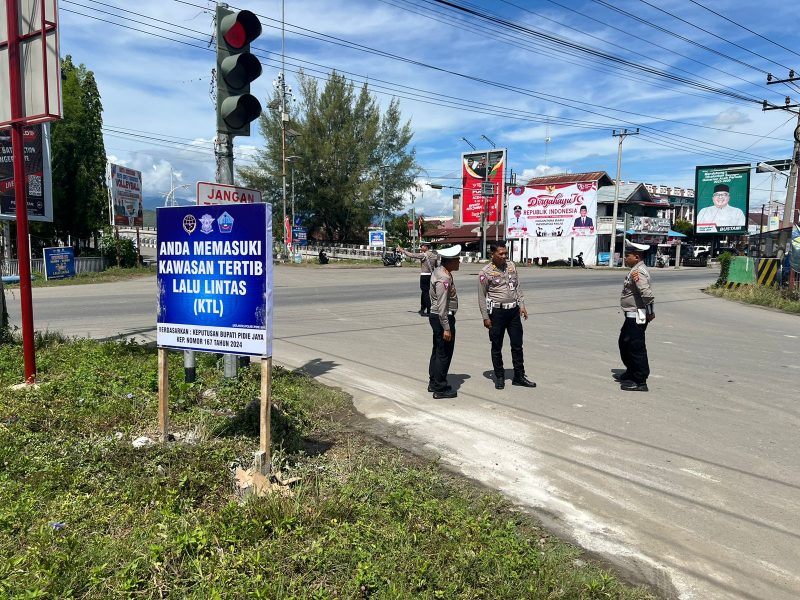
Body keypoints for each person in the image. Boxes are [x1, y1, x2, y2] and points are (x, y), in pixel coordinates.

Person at [478, 240, 536, 389]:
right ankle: (499, 376)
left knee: (517, 345)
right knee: (496, 346)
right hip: (497, 313)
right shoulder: (485, 272)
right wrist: (485, 317)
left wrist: (522, 305)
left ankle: (519, 376)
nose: (504, 256)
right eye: (501, 253)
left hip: (513, 312)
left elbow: (517, 286)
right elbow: (481, 296)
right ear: (493, 254)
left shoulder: (511, 266)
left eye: (506, 253)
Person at [613, 240, 655, 392]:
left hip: (637, 314)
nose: (625, 258)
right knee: (624, 343)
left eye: (628, 255)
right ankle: (631, 371)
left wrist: (650, 312)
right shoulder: (635, 269)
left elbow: (647, 294)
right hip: (633, 314)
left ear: (636, 257)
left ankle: (640, 381)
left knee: (635, 347)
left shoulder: (638, 272)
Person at [428, 245, 462, 399]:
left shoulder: (441, 271)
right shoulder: (444, 278)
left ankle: (434, 382)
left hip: (438, 317)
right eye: (457, 259)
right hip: (443, 317)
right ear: (450, 261)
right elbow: (442, 305)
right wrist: (446, 327)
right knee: (444, 353)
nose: (459, 262)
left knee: (437, 351)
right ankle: (439, 388)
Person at [397, 242, 438, 315]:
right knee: (424, 291)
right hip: (431, 275)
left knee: (425, 293)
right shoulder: (434, 255)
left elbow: (412, 255)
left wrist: (402, 250)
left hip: (424, 275)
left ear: (426, 247)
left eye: (421, 246)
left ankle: (429, 310)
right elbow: (436, 266)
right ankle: (423, 308)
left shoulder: (424, 255)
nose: (420, 247)